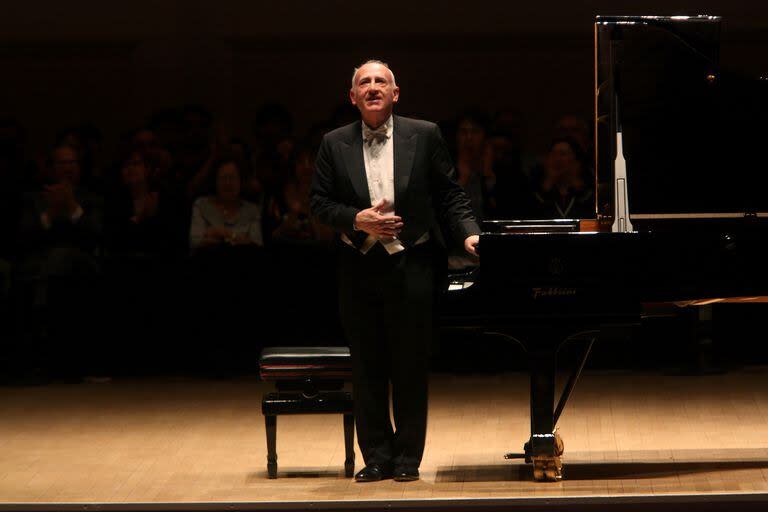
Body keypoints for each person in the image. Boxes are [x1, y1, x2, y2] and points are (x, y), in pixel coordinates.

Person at [310, 60, 480, 482]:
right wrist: (357, 219)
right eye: (363, 82)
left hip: (413, 265)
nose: (372, 87)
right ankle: (377, 458)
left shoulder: (424, 135)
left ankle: (407, 460)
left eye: (380, 81)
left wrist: (469, 235)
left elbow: (449, 196)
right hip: (358, 266)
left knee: (409, 365)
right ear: (352, 97)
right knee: (367, 367)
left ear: (395, 92)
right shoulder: (333, 143)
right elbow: (318, 203)